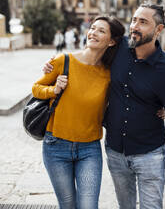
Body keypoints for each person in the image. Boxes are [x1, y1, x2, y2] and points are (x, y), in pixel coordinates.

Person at [44, 2, 165, 209]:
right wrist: (56, 63)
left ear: (159, 29)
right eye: (134, 20)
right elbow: (91, 50)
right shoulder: (118, 48)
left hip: (150, 155)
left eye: (143, 22)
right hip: (115, 153)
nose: (134, 26)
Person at [32, 16, 125, 209]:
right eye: (92, 28)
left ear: (112, 41)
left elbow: (129, 95)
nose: (93, 33)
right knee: (67, 205)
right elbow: (36, 88)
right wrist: (53, 90)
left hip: (89, 149)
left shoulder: (110, 74)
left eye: (101, 31)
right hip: (55, 145)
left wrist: (161, 107)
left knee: (89, 206)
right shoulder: (62, 61)